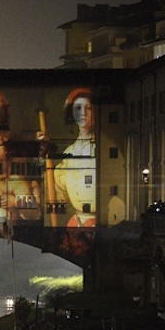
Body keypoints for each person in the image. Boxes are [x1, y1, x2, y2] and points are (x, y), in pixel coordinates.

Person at [52, 88, 96, 227]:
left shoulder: (101, 149)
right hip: (75, 223)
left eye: (88, 108)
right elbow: (60, 195)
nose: (82, 113)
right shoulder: (69, 152)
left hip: (96, 223)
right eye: (78, 108)